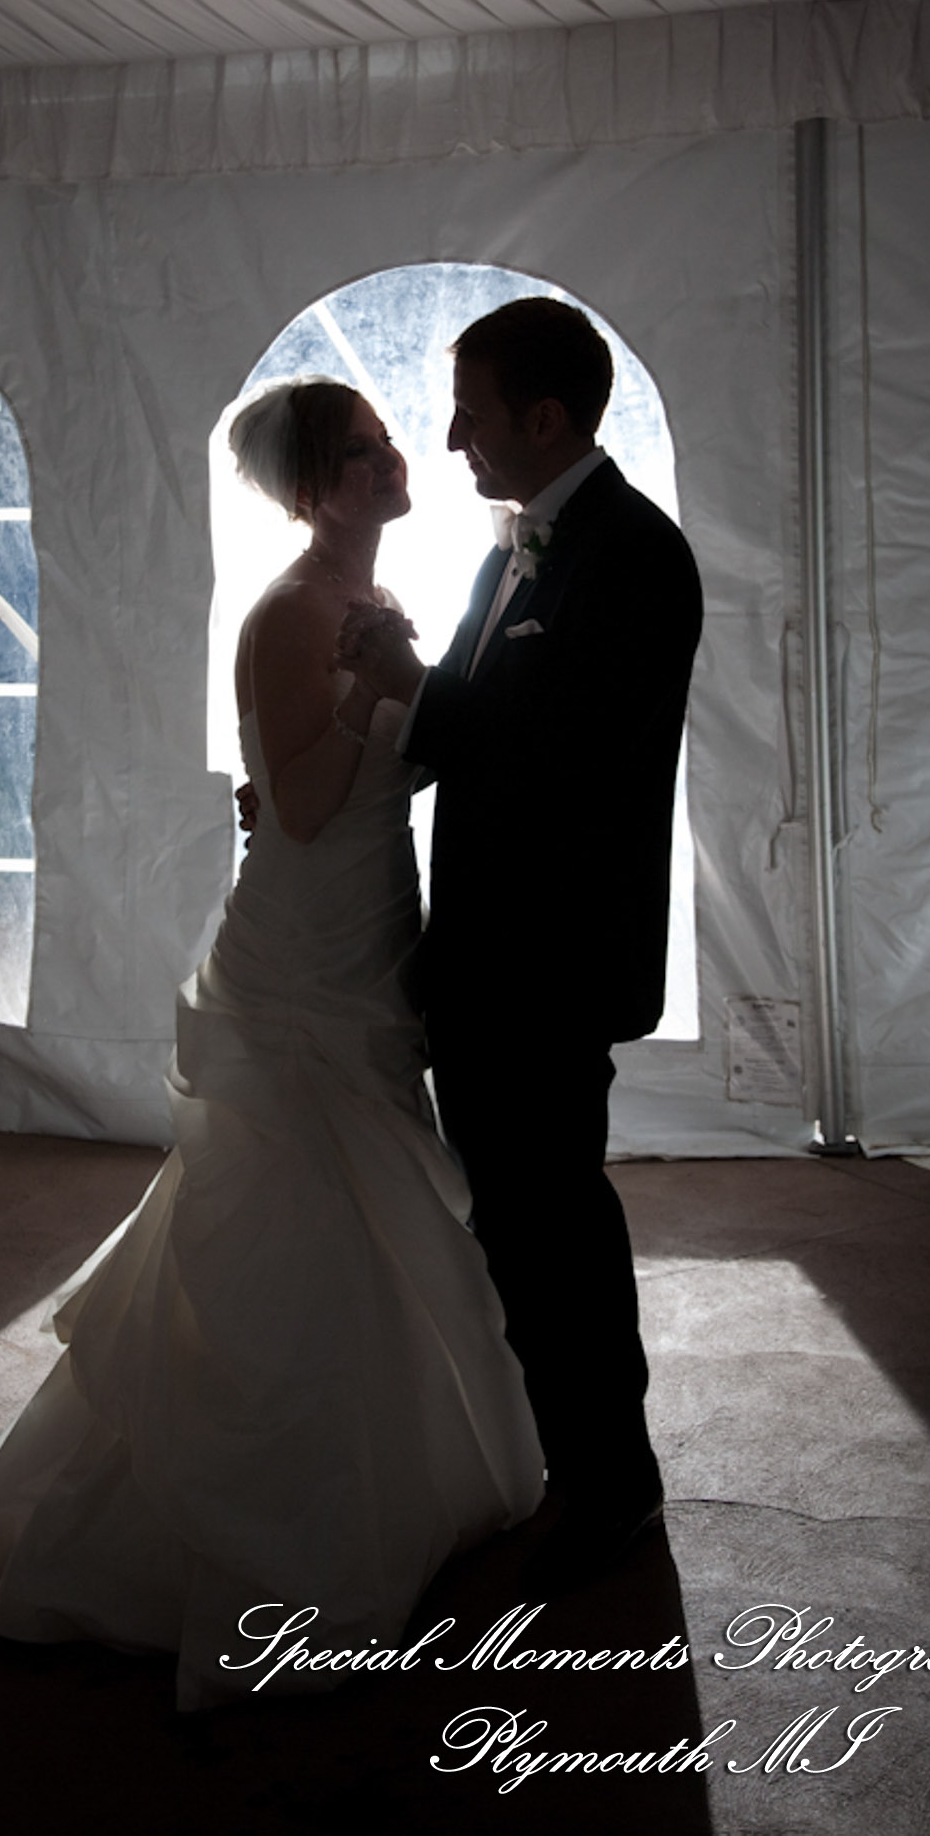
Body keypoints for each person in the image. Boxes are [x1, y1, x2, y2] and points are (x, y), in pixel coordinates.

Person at [0, 376, 543, 1711]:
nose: (401, 458)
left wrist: (408, 686)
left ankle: (392, 1469)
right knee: (287, 1198)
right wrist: (374, 684)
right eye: (369, 450)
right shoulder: (287, 612)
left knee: (377, 1195)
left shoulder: (376, 594)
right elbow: (307, 805)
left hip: (375, 927)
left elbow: (406, 759)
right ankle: (247, 1528)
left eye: (390, 441)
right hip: (306, 943)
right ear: (319, 487)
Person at [338, 298, 702, 1597]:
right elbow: (461, 735)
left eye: (472, 413)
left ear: (544, 418)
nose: (451, 441)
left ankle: (616, 1489)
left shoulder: (636, 558)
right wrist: (343, 760)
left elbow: (550, 757)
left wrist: (404, 668)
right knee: (515, 1230)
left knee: (558, 1234)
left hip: (552, 967)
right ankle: (575, 1467)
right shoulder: (512, 557)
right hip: (485, 964)